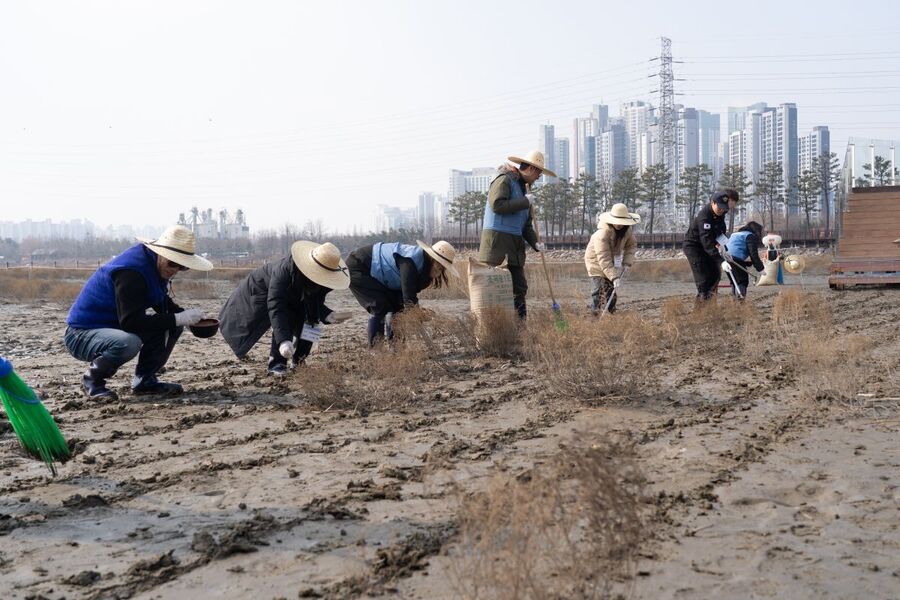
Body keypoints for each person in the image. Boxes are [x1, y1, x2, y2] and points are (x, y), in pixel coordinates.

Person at [64, 225, 213, 399]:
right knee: (129, 342)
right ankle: (92, 381)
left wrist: (188, 318)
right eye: (173, 263)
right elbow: (131, 322)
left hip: (112, 328)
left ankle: (145, 380)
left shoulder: (154, 266)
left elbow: (162, 304)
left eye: (182, 267)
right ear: (161, 254)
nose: (175, 270)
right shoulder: (131, 272)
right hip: (81, 334)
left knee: (171, 326)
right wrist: (179, 318)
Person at [219, 241, 352, 375]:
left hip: (292, 294)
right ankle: (277, 364)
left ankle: (299, 361)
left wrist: (327, 314)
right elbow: (277, 306)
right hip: (263, 290)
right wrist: (284, 340)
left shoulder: (324, 279)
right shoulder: (284, 271)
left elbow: (314, 303)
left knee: (312, 324)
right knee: (287, 318)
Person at [478, 150, 556, 320]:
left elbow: (526, 226)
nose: (539, 177)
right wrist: (524, 202)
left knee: (519, 288)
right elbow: (497, 205)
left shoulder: (525, 190)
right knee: (492, 288)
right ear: (529, 168)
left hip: (514, 247)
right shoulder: (504, 180)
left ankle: (520, 327)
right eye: (538, 172)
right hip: (496, 245)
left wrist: (536, 244)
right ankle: (492, 328)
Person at [347, 240, 458, 346]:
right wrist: (416, 313)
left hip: (378, 275)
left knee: (397, 307)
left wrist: (414, 310)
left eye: (442, 269)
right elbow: (408, 294)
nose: (439, 272)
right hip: (359, 266)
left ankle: (396, 347)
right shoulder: (410, 261)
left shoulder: (422, 268)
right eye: (439, 266)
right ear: (433, 260)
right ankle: (377, 350)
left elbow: (404, 297)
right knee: (379, 305)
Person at [683, 189, 739, 302]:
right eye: (719, 207)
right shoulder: (704, 217)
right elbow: (707, 242)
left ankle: (711, 306)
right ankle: (701, 312)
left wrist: (725, 250)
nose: (721, 210)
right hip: (695, 248)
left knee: (715, 275)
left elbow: (720, 232)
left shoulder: (720, 213)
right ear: (713, 202)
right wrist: (721, 261)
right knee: (704, 280)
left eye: (724, 208)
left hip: (708, 248)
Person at [584, 203, 639, 314]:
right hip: (595, 261)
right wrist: (614, 277)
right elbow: (603, 258)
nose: (619, 225)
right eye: (617, 221)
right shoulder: (602, 234)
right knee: (598, 290)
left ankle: (611, 314)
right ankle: (596, 315)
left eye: (622, 222)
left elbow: (631, 246)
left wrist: (627, 262)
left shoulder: (627, 232)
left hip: (612, 261)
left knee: (611, 291)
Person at [724, 221, 765, 298]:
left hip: (725, 259)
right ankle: (740, 303)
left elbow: (734, 248)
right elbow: (753, 254)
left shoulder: (735, 234)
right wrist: (760, 269)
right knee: (742, 281)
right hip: (734, 259)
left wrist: (746, 263)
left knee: (734, 281)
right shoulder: (750, 236)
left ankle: (734, 302)